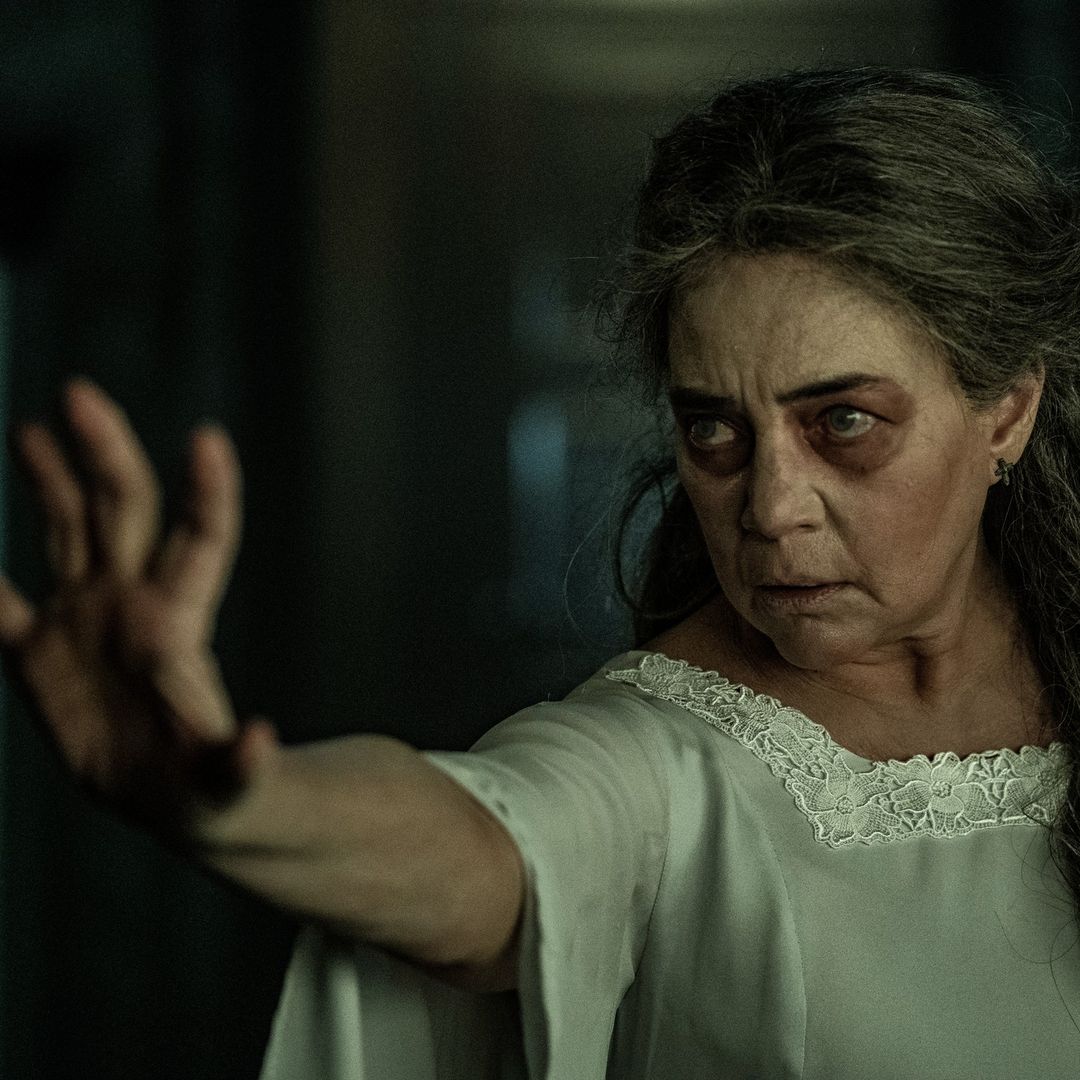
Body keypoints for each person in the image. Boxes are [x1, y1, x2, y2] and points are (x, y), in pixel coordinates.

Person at [1, 66, 1078, 1078]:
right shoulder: (657, 761)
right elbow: (487, 849)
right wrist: (243, 805)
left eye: (843, 422)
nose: (768, 506)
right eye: (714, 430)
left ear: (1007, 410)